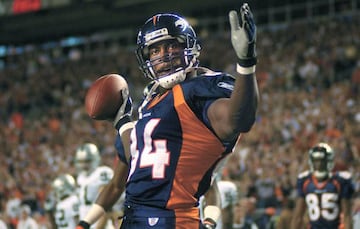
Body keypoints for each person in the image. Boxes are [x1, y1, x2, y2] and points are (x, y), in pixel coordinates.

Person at [78, 2, 259, 228]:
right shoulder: (151, 99)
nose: (163, 56)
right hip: (135, 216)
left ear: (189, 47)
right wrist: (123, 122)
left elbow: (238, 119)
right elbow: (139, 156)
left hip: (173, 219)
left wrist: (246, 64)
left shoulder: (201, 89)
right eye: (154, 50)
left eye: (171, 46)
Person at [290, 142, 354, 229]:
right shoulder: (305, 181)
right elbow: (298, 216)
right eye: (316, 161)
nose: (319, 165)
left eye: (322, 161)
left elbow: (347, 216)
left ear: (328, 161)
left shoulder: (340, 181)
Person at [75, 143, 116, 229]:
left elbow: (106, 204)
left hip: (101, 225)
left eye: (87, 161)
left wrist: (99, 226)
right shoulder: (80, 178)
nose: (84, 165)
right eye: (81, 162)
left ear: (95, 158)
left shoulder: (101, 173)